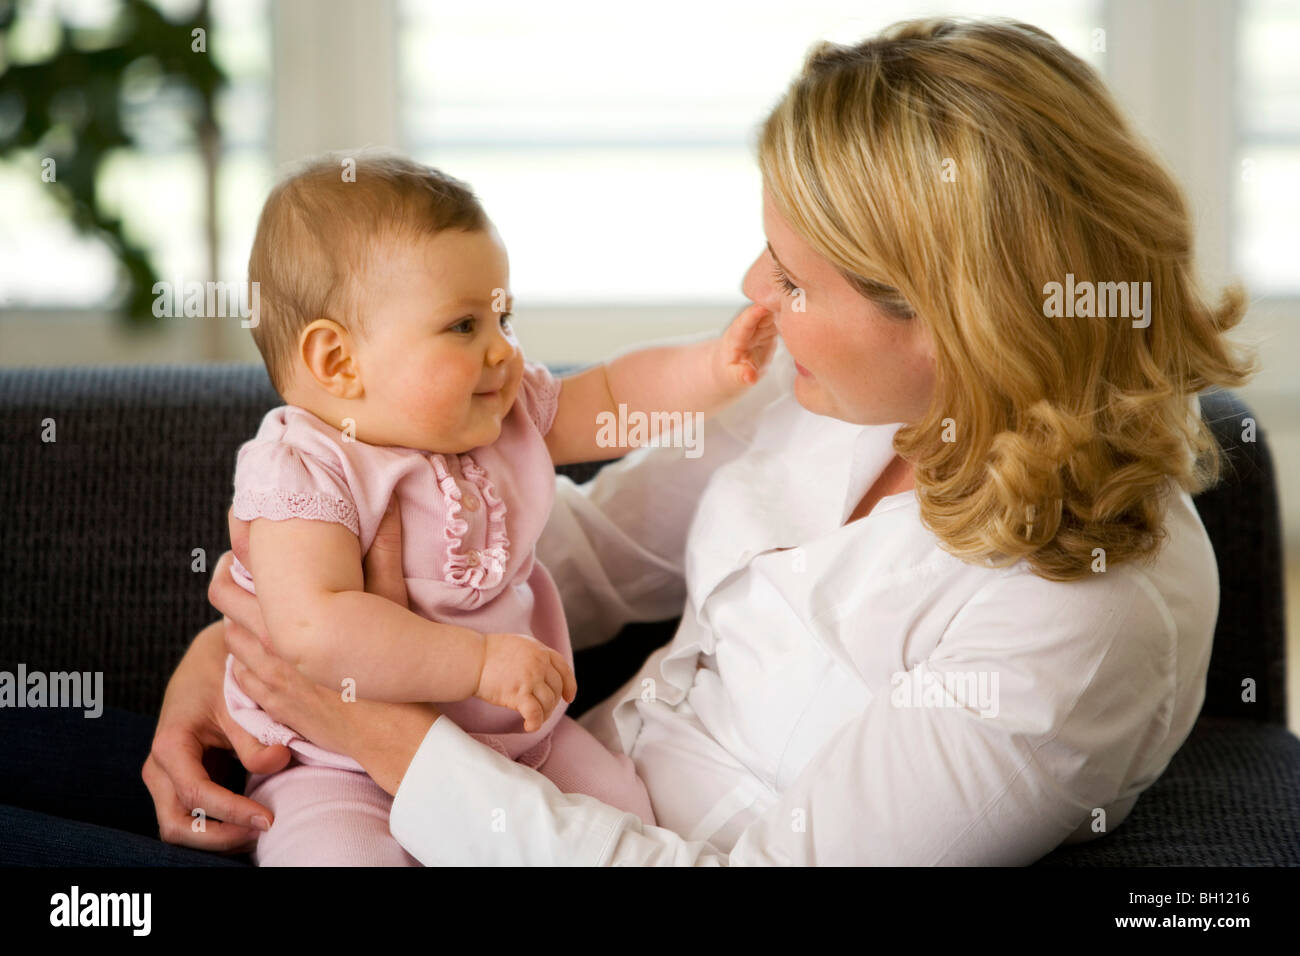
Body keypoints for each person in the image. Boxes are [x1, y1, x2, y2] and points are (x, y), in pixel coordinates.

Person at [145, 16, 1256, 865]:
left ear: (958, 315)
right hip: (446, 753)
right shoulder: (841, 393)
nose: (750, 293)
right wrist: (264, 642)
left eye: (795, 278)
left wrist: (376, 723)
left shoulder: (1077, 621)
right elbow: (576, 553)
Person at [215, 152, 777, 864]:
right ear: (337, 362)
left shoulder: (501, 419)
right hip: (341, 764)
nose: (503, 352)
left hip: (518, 744)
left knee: (629, 813)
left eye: (503, 317)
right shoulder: (307, 465)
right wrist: (477, 663)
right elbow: (312, 626)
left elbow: (608, 398)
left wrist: (709, 370)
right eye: (463, 327)